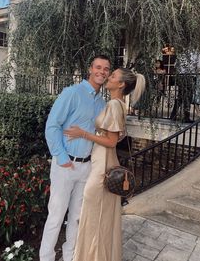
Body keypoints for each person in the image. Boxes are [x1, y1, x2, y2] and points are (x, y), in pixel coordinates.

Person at [64, 68, 146, 261]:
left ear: (121, 84)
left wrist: (82, 134)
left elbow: (111, 141)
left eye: (113, 76)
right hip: (101, 160)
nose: (108, 77)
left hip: (103, 164)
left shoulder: (114, 105)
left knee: (94, 213)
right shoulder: (114, 104)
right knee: (96, 214)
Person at [39, 55, 111, 261]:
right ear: (90, 69)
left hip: (86, 166)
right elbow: (52, 125)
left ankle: (70, 255)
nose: (102, 72)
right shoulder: (72, 93)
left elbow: (102, 133)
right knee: (56, 215)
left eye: (106, 69)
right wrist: (62, 158)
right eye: (98, 67)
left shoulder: (102, 102)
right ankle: (46, 257)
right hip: (66, 165)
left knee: (77, 217)